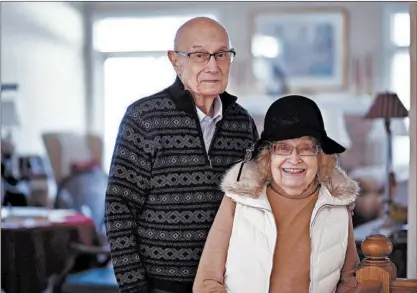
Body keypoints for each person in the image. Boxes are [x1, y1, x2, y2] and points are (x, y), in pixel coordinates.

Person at [105, 17, 259, 293]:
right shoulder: (144, 117)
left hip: (228, 283)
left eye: (222, 55)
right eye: (200, 55)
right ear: (175, 60)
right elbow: (119, 208)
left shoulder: (243, 122)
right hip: (161, 286)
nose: (213, 66)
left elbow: (257, 202)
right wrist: (135, 288)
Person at [193, 95, 361, 293]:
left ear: (320, 156)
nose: (294, 158)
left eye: (305, 148)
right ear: (268, 156)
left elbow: (350, 282)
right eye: (283, 148)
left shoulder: (338, 204)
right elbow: (207, 281)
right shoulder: (239, 199)